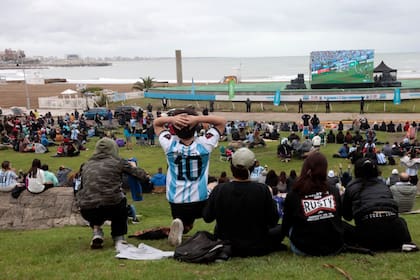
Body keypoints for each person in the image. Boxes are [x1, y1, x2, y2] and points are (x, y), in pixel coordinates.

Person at [153, 108, 226, 246]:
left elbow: (157, 124)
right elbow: (222, 122)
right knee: (215, 186)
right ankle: (220, 229)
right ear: (196, 128)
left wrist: (171, 119)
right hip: (200, 200)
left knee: (185, 221)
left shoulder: (169, 144)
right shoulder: (205, 144)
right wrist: (197, 119)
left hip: (176, 200)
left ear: (174, 128)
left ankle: (182, 225)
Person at [203, 147, 285, 257]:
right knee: (281, 228)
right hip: (256, 244)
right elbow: (273, 220)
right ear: (253, 167)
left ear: (231, 165)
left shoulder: (220, 189)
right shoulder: (262, 190)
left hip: (226, 242)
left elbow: (207, 217)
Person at [76, 137, 148, 250]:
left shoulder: (86, 165)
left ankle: (97, 232)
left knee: (93, 201)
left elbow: (81, 188)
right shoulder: (118, 162)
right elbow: (142, 176)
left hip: (86, 209)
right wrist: (133, 166)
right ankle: (119, 237)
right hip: (112, 205)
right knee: (120, 201)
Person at [342, 157, 415, 251]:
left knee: (341, 225)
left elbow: (347, 216)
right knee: (400, 220)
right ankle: (397, 244)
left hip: (368, 231)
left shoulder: (352, 186)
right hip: (395, 230)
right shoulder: (383, 185)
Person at [281, 152, 344, 256]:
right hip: (334, 246)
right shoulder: (333, 190)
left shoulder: (295, 193)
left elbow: (286, 225)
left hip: (304, 248)